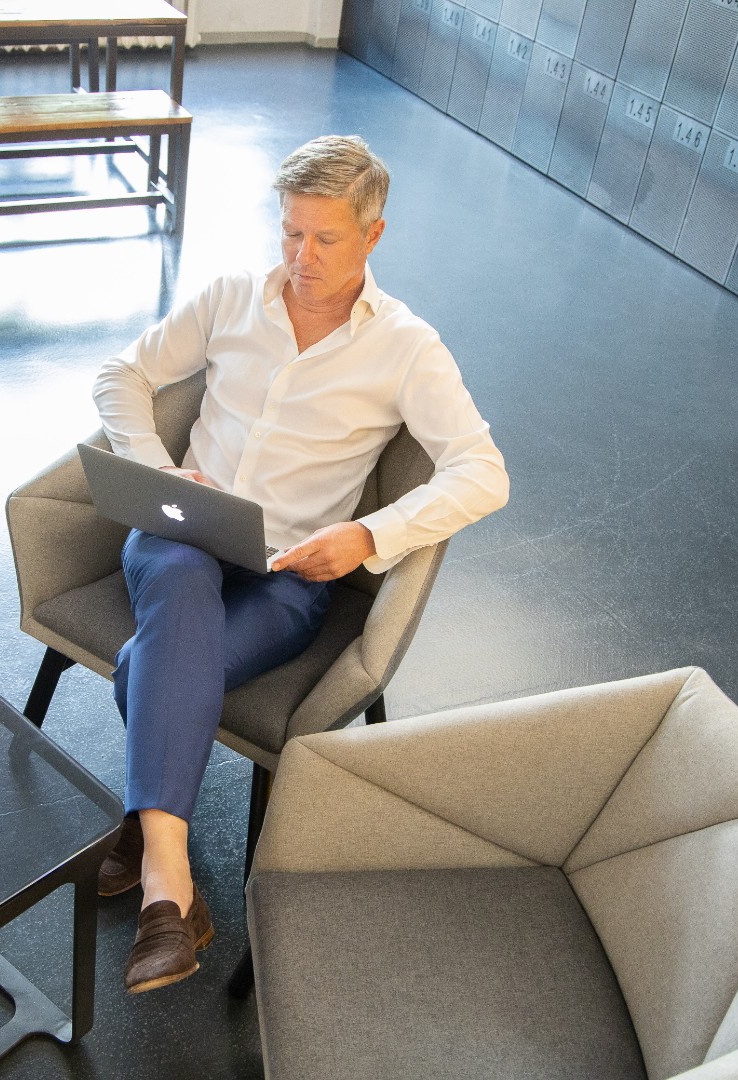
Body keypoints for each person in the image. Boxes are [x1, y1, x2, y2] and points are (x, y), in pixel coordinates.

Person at [91, 134, 509, 993]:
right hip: (183, 535)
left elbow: (483, 471)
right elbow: (121, 376)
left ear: (373, 235)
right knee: (177, 581)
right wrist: (158, 468)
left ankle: (147, 821)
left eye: (324, 238)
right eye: (289, 233)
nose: (300, 257)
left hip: (291, 574)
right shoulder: (231, 298)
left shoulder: (406, 347)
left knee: (149, 663)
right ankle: (169, 892)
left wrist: (369, 537)